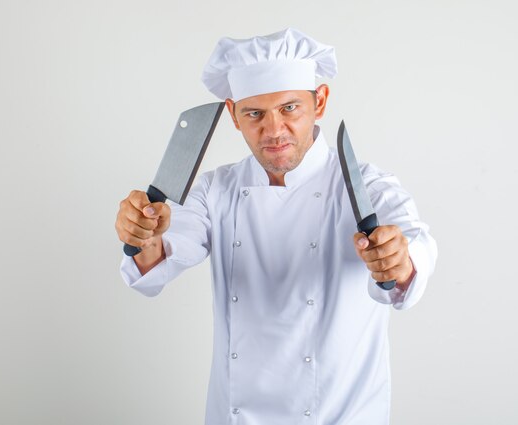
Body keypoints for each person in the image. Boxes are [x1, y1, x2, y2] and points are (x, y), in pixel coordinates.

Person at [115, 28, 437, 425]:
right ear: (233, 114)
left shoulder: (365, 187)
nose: (273, 130)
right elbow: (166, 248)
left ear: (319, 102)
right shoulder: (216, 190)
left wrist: (398, 261)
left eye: (289, 109)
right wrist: (144, 233)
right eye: (255, 114)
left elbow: (414, 243)